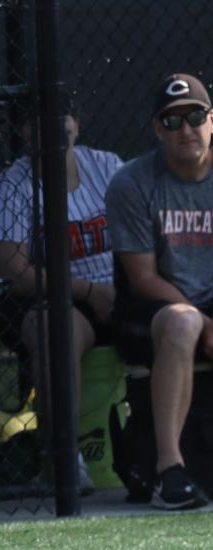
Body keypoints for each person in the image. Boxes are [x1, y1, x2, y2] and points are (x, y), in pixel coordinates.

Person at [0, 93, 121, 494]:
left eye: (64, 115)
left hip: (118, 290)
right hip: (54, 298)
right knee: (58, 328)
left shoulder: (107, 167)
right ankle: (63, 456)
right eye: (39, 118)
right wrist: (90, 291)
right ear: (24, 131)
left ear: (77, 121)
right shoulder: (11, 187)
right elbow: (15, 271)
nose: (56, 125)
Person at [106, 72, 213, 510]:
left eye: (194, 116)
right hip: (151, 308)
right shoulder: (131, 183)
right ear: (157, 130)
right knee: (183, 321)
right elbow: (143, 279)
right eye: (172, 121)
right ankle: (170, 472)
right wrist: (206, 322)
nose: (185, 129)